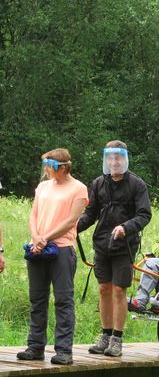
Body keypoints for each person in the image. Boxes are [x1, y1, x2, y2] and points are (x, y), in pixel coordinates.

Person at [77, 141, 152, 357]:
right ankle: (105, 336)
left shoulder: (137, 185)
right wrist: (72, 228)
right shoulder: (99, 183)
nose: (114, 162)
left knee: (119, 290)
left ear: (125, 158)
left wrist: (125, 228)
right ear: (106, 160)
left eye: (118, 157)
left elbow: (144, 215)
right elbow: (90, 214)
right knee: (104, 289)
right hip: (102, 243)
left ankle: (117, 339)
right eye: (110, 158)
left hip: (124, 246)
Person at [17, 149, 89, 365]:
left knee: (63, 300)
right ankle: (35, 346)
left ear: (63, 167)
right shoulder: (43, 187)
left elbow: (70, 221)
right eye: (46, 166)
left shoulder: (79, 189)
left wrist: (45, 238)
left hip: (62, 250)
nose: (46, 170)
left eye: (50, 166)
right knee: (37, 299)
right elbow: (34, 214)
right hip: (37, 248)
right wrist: (36, 237)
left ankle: (64, 350)